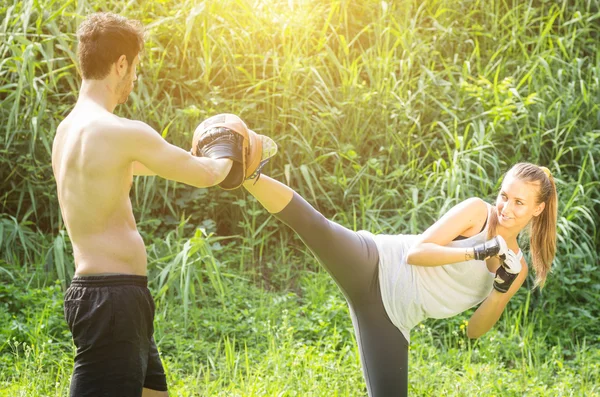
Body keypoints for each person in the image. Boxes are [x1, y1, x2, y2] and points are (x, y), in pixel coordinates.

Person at [194, 121, 558, 397]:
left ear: (538, 210)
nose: (506, 207)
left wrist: (499, 290)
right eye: (504, 195)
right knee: (315, 226)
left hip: (392, 319)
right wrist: (479, 250)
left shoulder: (518, 268)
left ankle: (243, 169)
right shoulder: (477, 213)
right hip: (375, 262)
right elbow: (418, 253)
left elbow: (474, 331)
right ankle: (241, 167)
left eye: (519, 202)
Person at [52, 12, 235, 397]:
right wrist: (233, 145)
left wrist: (191, 157)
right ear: (121, 64)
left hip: (106, 297)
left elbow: (154, 164)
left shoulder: (66, 132)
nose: (134, 79)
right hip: (114, 301)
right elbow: (207, 174)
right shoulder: (122, 132)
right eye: (135, 68)